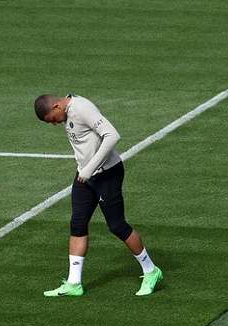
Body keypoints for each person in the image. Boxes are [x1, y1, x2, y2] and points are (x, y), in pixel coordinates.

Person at [34, 94, 163, 296]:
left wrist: (90, 169)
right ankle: (74, 283)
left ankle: (151, 271)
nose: (54, 124)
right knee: (77, 223)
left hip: (107, 174)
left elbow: (112, 135)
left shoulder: (81, 108)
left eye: (51, 119)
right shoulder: (67, 113)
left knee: (117, 225)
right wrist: (84, 171)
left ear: (56, 106)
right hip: (85, 176)